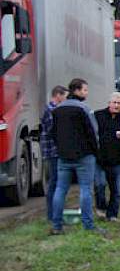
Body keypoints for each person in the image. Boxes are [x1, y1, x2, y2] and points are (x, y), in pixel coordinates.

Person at [50, 78, 105, 236]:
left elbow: (53, 132)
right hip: (84, 157)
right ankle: (88, 225)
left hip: (63, 157)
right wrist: (96, 152)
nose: (86, 93)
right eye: (85, 90)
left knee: (60, 190)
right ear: (77, 91)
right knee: (85, 190)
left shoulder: (57, 110)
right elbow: (93, 133)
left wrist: (60, 149)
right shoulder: (84, 109)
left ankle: (56, 225)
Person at [94, 92, 120, 221]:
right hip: (100, 159)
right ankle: (101, 208)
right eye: (114, 103)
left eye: (119, 103)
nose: (116, 105)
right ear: (109, 103)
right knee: (100, 185)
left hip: (116, 160)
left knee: (116, 190)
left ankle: (112, 215)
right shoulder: (98, 116)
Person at [40, 85, 68, 224]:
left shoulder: (52, 109)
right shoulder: (51, 110)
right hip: (53, 151)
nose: (65, 99)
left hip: (53, 151)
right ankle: (52, 214)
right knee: (55, 182)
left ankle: (54, 213)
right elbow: (54, 130)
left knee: (56, 182)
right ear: (58, 95)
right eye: (65, 96)